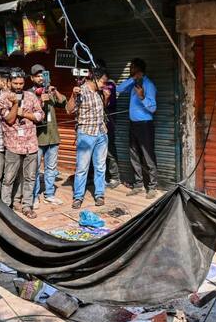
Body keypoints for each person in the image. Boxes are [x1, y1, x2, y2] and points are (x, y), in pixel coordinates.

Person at [0, 67, 43, 218]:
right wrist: (16, 104)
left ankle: (27, 206)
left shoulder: (31, 96)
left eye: (21, 83)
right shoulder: (3, 98)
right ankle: (5, 208)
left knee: (30, 178)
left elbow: (40, 115)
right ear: (9, 82)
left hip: (31, 144)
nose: (18, 86)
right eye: (15, 83)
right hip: (13, 145)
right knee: (9, 178)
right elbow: (10, 119)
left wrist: (24, 114)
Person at [66, 68, 110, 209]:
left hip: (101, 133)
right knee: (82, 168)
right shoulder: (81, 90)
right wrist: (73, 95)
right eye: (103, 82)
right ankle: (78, 197)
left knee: (100, 166)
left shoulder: (99, 92)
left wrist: (106, 98)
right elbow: (69, 110)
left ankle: (99, 194)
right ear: (95, 79)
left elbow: (101, 109)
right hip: (86, 134)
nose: (104, 85)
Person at [116, 58, 158, 198]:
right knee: (134, 155)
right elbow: (118, 89)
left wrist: (142, 97)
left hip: (145, 125)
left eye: (132, 67)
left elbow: (153, 108)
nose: (130, 69)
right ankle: (138, 185)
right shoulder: (133, 83)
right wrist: (132, 79)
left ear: (139, 70)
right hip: (133, 124)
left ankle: (152, 186)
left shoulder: (148, 85)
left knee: (148, 156)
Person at [29, 64, 66, 205]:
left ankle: (49, 194)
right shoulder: (29, 93)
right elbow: (28, 113)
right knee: (35, 169)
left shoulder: (50, 91)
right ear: (32, 78)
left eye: (43, 75)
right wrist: (40, 100)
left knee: (51, 168)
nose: (40, 78)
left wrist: (54, 91)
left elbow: (63, 102)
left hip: (52, 137)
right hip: (37, 138)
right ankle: (34, 196)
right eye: (38, 76)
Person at [95, 58, 121, 189]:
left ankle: (115, 177)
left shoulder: (109, 85)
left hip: (108, 123)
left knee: (109, 150)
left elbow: (109, 103)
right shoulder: (92, 84)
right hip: (95, 124)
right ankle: (97, 177)